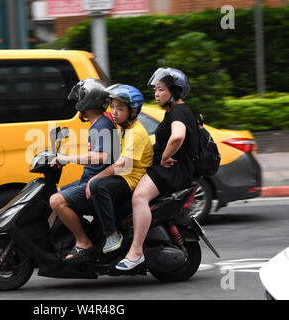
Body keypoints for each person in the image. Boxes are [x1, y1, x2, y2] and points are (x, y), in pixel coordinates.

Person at [115, 68, 198, 271]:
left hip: (171, 171)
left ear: (175, 91)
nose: (157, 94)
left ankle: (135, 252)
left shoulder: (179, 111)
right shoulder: (174, 111)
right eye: (155, 90)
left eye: (161, 90)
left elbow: (177, 136)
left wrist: (165, 157)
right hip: (170, 168)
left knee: (139, 198)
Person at [49, 78, 118, 261]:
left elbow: (102, 156)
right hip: (90, 178)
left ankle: (83, 241)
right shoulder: (97, 124)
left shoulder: (103, 124)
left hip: (97, 182)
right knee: (55, 192)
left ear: (87, 100)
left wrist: (68, 159)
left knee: (57, 202)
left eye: (79, 97)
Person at [86, 84, 153, 255]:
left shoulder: (135, 132)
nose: (114, 112)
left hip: (132, 179)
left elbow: (122, 164)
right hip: (125, 175)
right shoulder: (124, 129)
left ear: (133, 111)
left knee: (97, 186)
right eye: (113, 107)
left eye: (120, 108)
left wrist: (95, 179)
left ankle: (112, 235)